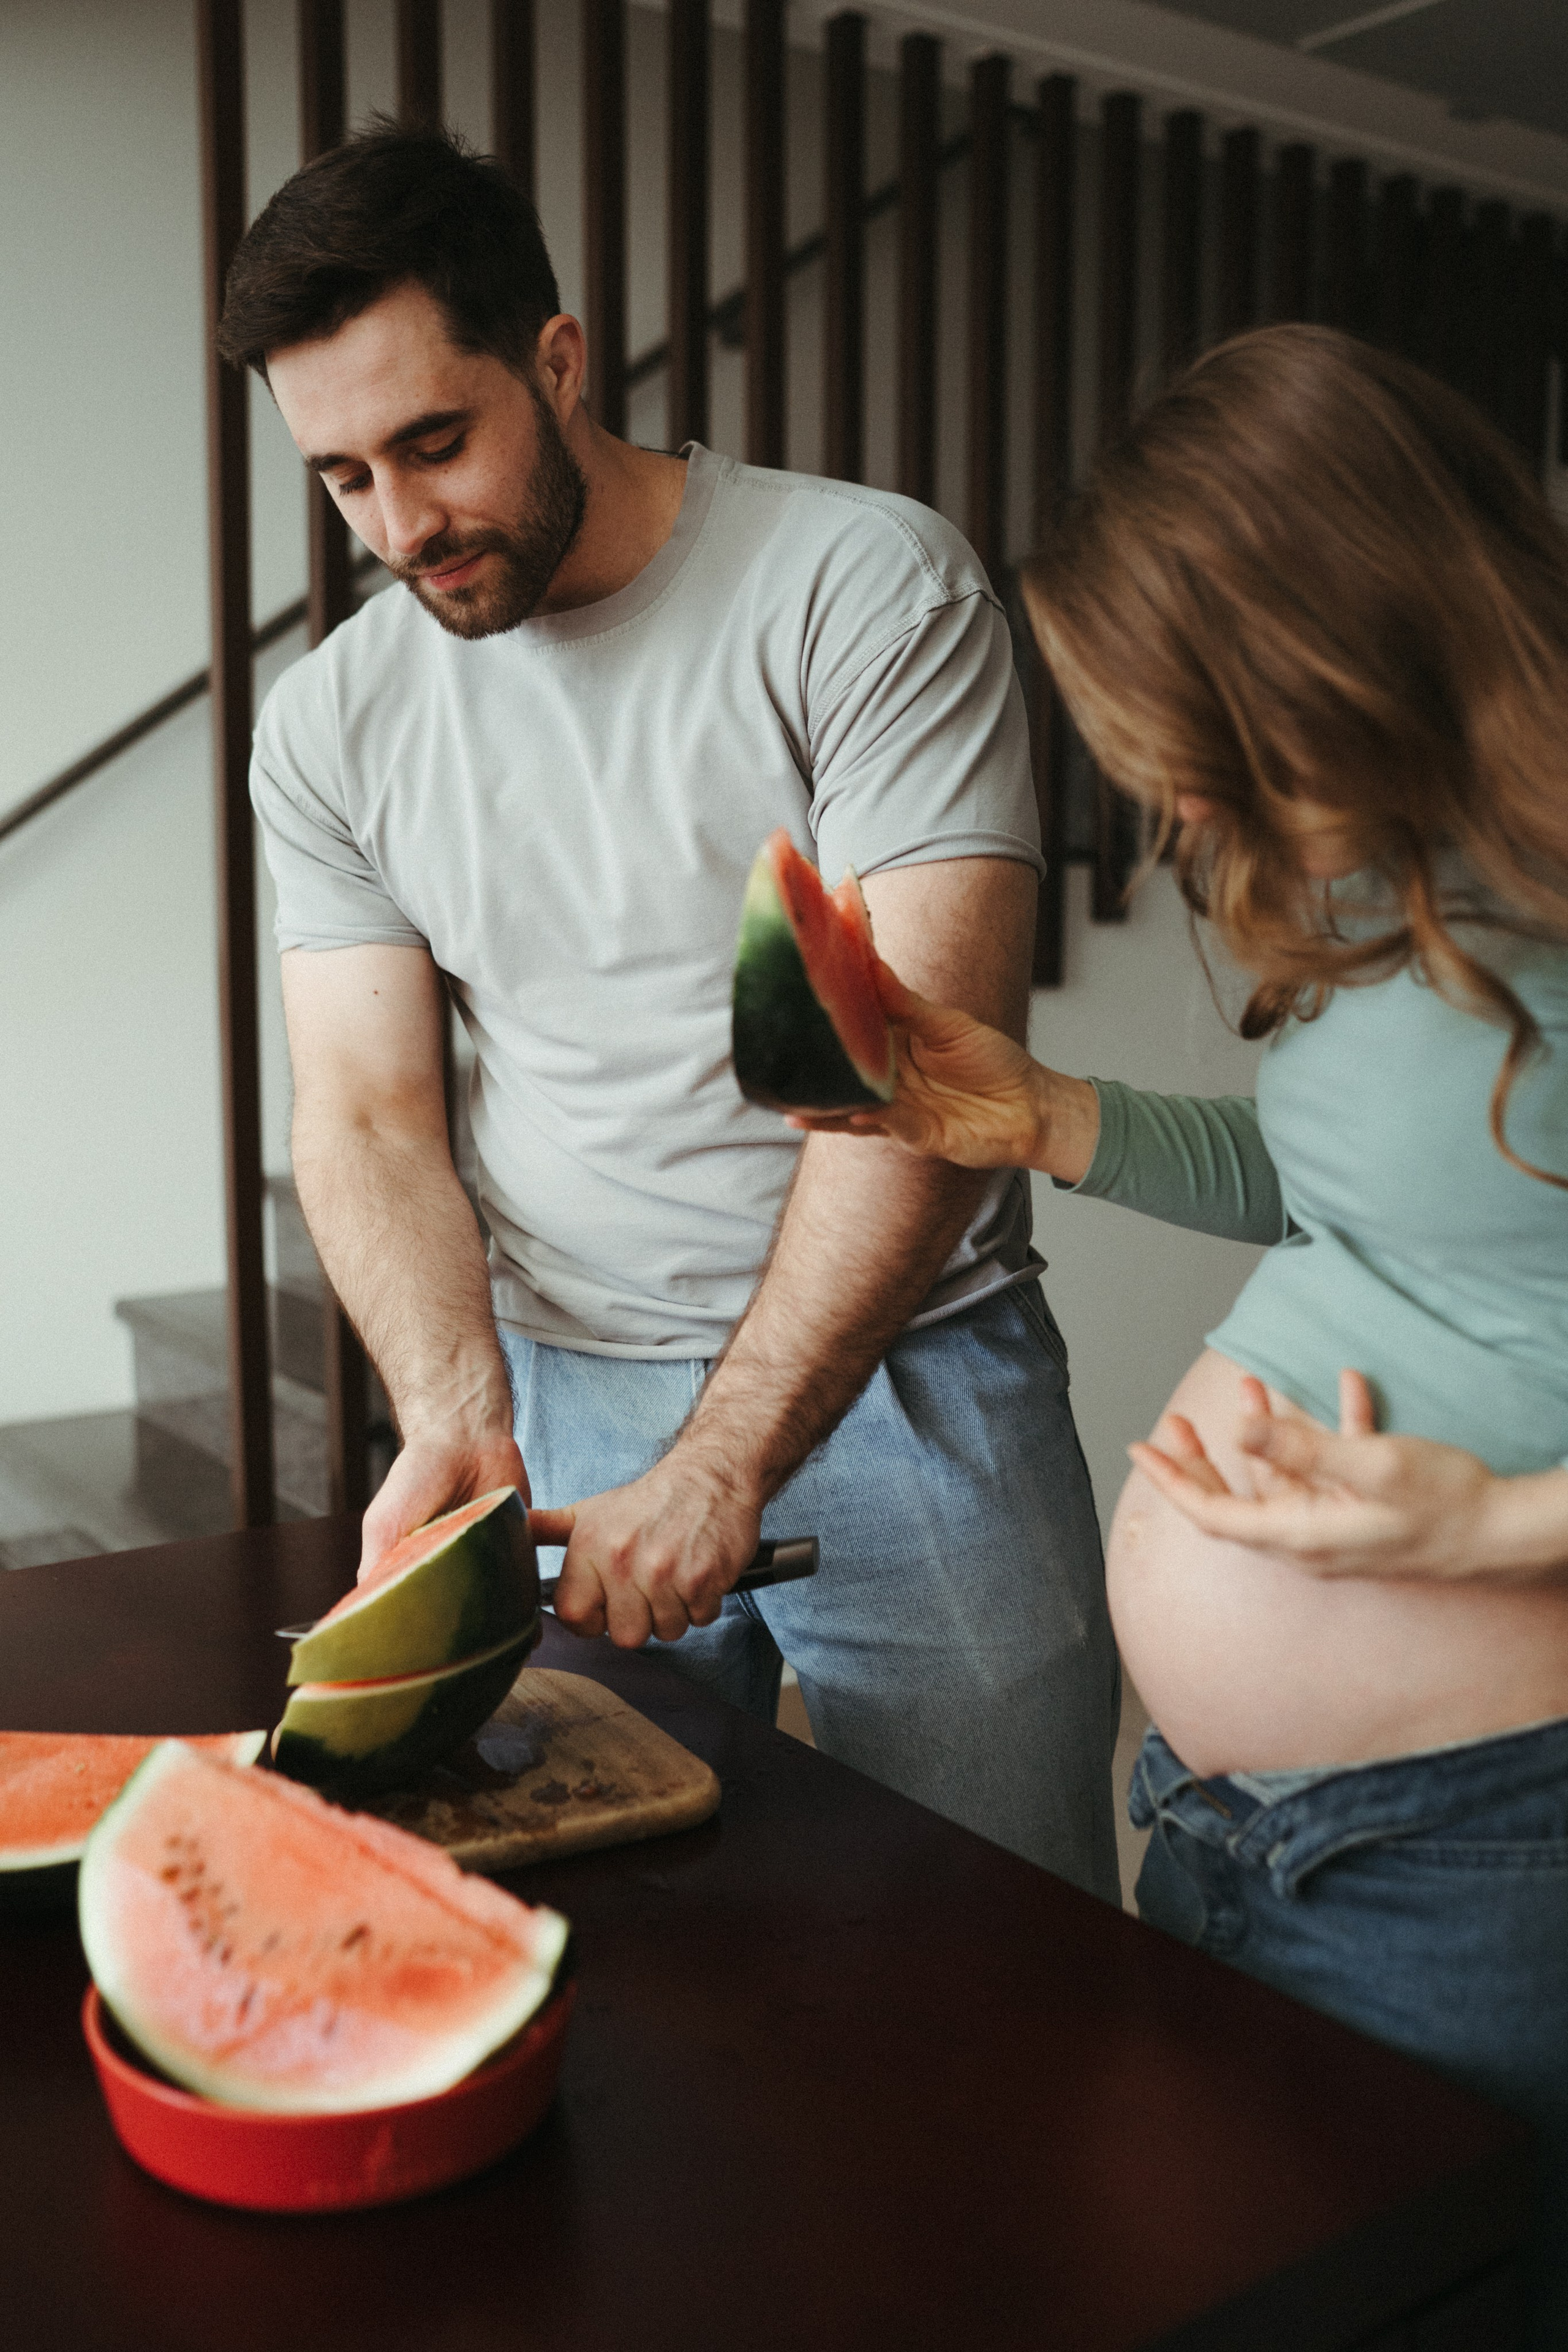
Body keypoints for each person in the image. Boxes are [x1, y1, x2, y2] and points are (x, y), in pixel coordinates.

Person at [217, 123, 1120, 1894]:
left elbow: (915, 1087)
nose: (402, 530)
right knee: (629, 1969)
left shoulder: (863, 588)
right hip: (562, 1401)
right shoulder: (329, 730)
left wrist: (729, 1460)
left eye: (434, 444)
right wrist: (459, 1409)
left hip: (914, 1384)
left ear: (557, 362)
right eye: (340, 481)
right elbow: (372, 1115)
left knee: (996, 1965)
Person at [790, 325, 1568, 2331]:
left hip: (1483, 1847)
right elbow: (1346, 1183)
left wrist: (1493, 1531)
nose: (1169, 791)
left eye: (1191, 727)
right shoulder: (1395, 885)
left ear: (1336, 634)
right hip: (1231, 1821)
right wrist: (1042, 1119)